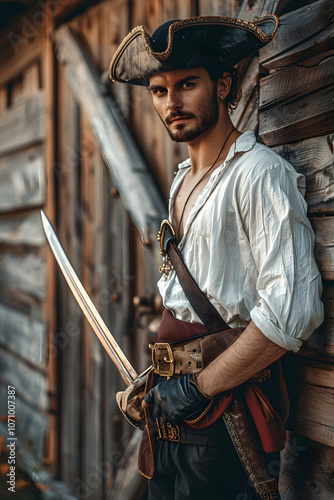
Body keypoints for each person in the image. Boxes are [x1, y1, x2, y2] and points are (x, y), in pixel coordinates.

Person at [110, 15, 324, 500]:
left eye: (187, 84)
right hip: (170, 414)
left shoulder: (258, 176)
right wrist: (161, 387)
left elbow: (292, 312)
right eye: (159, 91)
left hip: (223, 422)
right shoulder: (181, 182)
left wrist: (198, 387)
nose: (172, 103)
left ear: (223, 84)